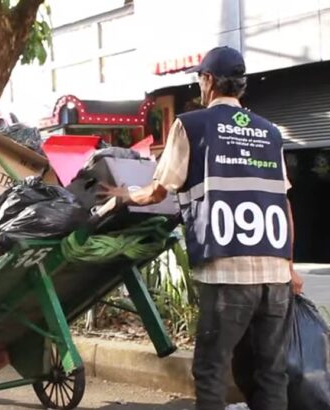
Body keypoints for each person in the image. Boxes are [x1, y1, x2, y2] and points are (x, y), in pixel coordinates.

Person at [100, 46, 303, 410]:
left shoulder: (191, 126)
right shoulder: (270, 132)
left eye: (200, 78)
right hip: (275, 275)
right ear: (240, 86)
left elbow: (157, 191)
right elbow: (283, 202)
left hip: (227, 272)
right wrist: (290, 267)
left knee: (211, 369)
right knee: (272, 372)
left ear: (207, 80)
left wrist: (123, 195)